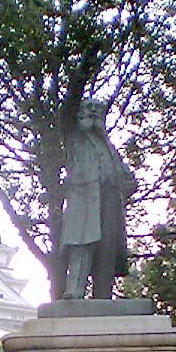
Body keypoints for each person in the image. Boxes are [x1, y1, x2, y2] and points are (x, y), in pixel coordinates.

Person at [60, 99, 136, 299]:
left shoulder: (109, 146)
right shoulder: (74, 140)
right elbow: (66, 117)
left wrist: (121, 189)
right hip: (84, 200)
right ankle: (75, 291)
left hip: (110, 200)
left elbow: (129, 179)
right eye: (88, 107)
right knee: (82, 244)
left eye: (98, 109)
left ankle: (103, 296)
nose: (93, 111)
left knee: (107, 249)